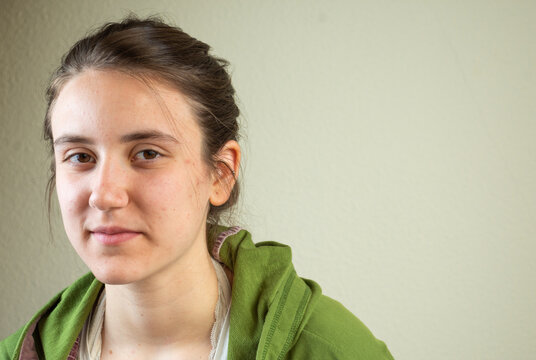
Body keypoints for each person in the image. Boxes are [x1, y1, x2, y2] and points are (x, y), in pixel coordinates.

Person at [0, 16, 393, 360]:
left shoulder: (329, 349)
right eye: (80, 156)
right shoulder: (22, 351)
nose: (104, 195)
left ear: (220, 173)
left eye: (147, 153)